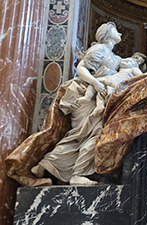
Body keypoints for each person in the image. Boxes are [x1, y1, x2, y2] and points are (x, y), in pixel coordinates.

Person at [30, 22, 133, 185]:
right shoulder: (99, 49)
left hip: (101, 96)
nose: (119, 32)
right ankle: (77, 175)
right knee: (92, 133)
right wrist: (96, 83)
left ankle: (47, 163)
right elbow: (82, 68)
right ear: (106, 33)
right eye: (115, 29)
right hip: (86, 93)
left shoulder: (117, 58)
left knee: (81, 136)